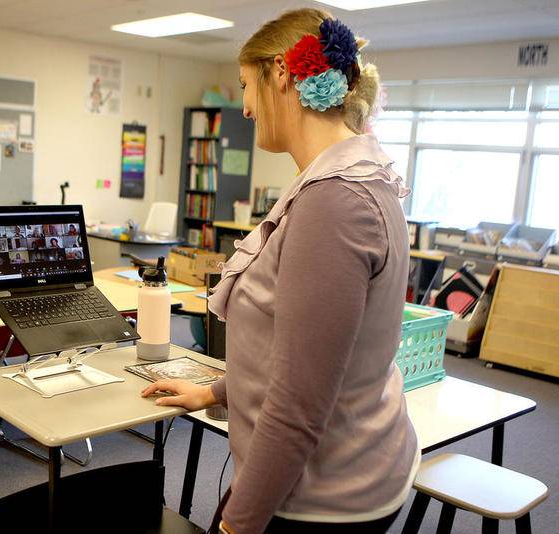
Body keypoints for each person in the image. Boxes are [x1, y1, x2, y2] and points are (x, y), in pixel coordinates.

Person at [141, 8, 418, 534]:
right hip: (347, 466)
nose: (244, 107)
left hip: (324, 495)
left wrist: (235, 524)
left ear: (282, 75)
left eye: (246, 85)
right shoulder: (347, 177)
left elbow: (299, 402)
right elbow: (309, 352)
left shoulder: (334, 202)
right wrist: (218, 391)